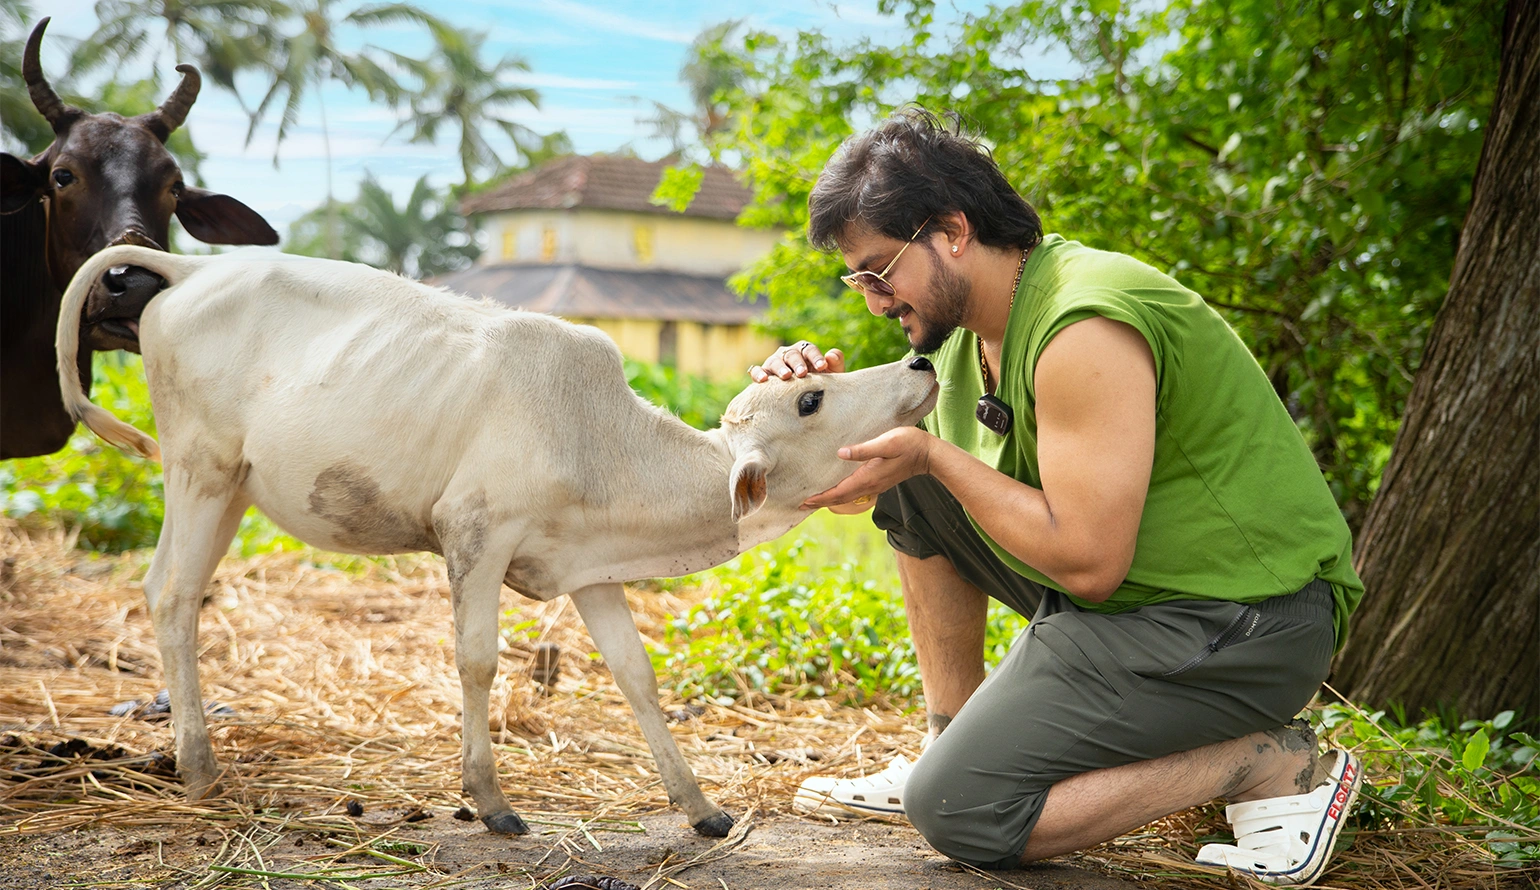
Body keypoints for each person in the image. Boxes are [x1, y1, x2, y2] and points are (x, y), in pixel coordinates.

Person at [749, 109, 1366, 886]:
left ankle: (1263, 762)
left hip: (1245, 622)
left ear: (952, 230)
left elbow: (1088, 564)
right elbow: (861, 488)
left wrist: (934, 455)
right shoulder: (968, 338)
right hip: (1141, 601)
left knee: (959, 812)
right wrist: (808, 411)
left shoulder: (1082, 325)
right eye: (859, 281)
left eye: (881, 273)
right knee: (915, 486)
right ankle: (947, 736)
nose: (875, 302)